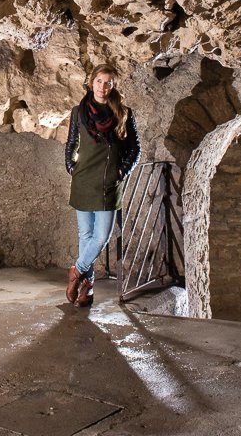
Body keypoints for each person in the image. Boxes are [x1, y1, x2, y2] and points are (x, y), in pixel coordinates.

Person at [64, 63, 140, 307]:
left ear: (113, 85)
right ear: (91, 82)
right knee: (85, 235)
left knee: (101, 237)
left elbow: (134, 149)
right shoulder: (79, 112)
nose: (103, 86)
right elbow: (71, 143)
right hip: (83, 180)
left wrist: (121, 171)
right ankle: (87, 289)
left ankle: (77, 270)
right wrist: (71, 167)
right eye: (99, 81)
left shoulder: (123, 113)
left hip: (108, 182)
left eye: (108, 82)